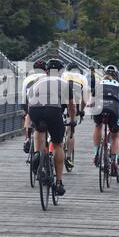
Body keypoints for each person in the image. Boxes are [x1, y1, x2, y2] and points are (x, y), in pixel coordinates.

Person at [27, 59, 76, 196]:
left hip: (35, 109)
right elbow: (72, 106)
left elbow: (28, 101)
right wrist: (72, 120)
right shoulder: (64, 83)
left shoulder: (37, 82)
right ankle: (59, 182)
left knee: (38, 130)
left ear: (46, 71)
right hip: (53, 110)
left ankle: (37, 154)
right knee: (58, 144)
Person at [92, 65, 119, 177]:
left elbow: (91, 100)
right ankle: (113, 160)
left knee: (98, 126)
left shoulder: (99, 83)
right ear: (116, 76)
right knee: (115, 135)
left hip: (99, 107)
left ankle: (96, 153)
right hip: (113, 108)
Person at [61, 62, 89, 169]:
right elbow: (85, 99)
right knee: (70, 130)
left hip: (61, 100)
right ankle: (68, 157)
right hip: (74, 102)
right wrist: (81, 111)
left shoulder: (63, 74)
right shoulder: (83, 78)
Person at [21, 60, 47, 154]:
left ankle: (27, 138)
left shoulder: (28, 78)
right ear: (46, 70)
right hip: (45, 104)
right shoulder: (48, 77)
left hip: (30, 101)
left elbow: (23, 95)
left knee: (28, 114)